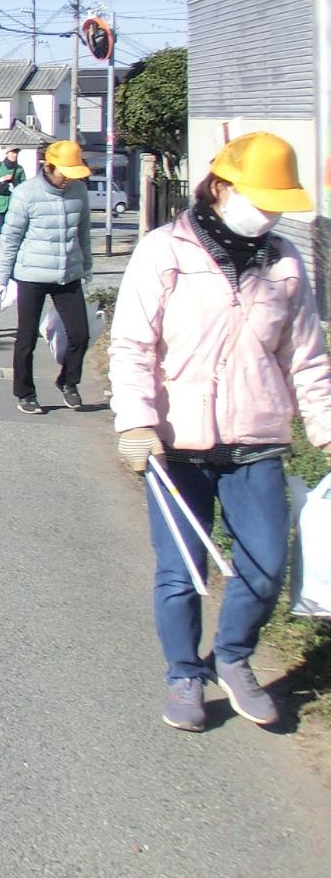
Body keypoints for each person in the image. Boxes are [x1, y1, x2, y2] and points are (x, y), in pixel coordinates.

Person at [109, 132, 331, 733]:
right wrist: (135, 422)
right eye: (263, 197)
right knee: (182, 571)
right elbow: (132, 345)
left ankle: (232, 658)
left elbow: (306, 354)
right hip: (175, 442)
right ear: (223, 187)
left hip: (257, 437)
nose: (273, 212)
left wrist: (325, 425)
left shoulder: (285, 262)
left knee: (263, 567)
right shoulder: (165, 251)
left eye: (280, 201)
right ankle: (184, 672)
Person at [0, 139, 94, 414]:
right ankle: (25, 392)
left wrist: (87, 265)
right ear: (49, 166)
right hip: (32, 274)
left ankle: (69, 381)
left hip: (68, 272)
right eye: (64, 173)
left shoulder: (79, 191)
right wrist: (0, 279)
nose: (68, 180)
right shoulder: (26, 193)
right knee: (26, 338)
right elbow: (11, 237)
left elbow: (83, 230)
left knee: (80, 335)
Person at [0, 146, 27, 222]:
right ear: (7, 154)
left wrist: (16, 186)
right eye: (12, 153)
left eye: (16, 153)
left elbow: (24, 184)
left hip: (14, 204)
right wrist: (2, 178)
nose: (14, 155)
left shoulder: (19, 169)